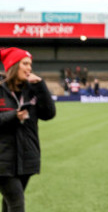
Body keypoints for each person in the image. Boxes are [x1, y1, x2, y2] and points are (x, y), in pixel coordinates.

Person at [0, 47, 56, 212]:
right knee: (17, 203)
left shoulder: (32, 90)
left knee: (9, 202)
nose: (29, 68)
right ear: (14, 65)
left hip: (26, 157)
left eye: (30, 64)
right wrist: (13, 117)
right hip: (3, 159)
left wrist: (41, 86)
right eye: (25, 64)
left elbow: (49, 114)